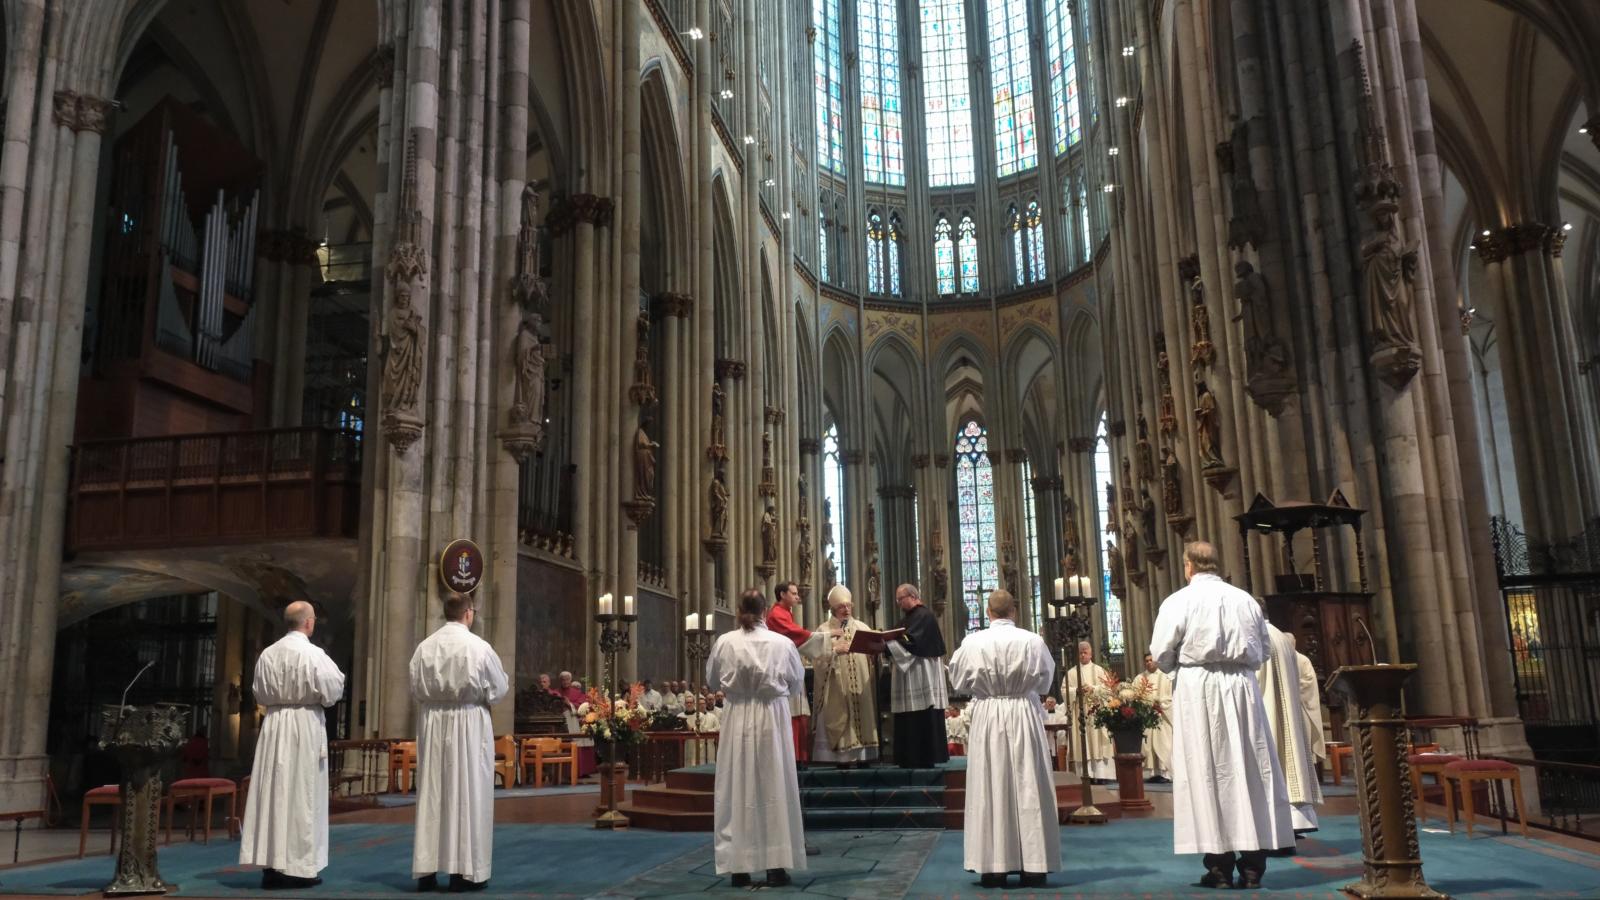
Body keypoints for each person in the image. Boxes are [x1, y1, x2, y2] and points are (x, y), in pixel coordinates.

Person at [1150, 541, 1293, 890]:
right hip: (1241, 688)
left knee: (1208, 772)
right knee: (1248, 770)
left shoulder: (1178, 601)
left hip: (1198, 689)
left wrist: (1182, 669)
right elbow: (1261, 650)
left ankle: (1218, 867)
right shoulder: (1244, 599)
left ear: (1188, 566)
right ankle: (1252, 867)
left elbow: (1161, 652)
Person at [948, 589, 1060, 888]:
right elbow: (1046, 679)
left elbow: (957, 680)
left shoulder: (973, 642)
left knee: (990, 785)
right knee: (1028, 786)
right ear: (1014, 611)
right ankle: (1034, 866)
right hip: (1023, 711)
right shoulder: (1032, 641)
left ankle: (992, 867)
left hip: (988, 714)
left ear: (988, 612)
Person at [239, 600, 346, 890]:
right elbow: (333, 690)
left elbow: (259, 691)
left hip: (274, 727)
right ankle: (298, 869)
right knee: (302, 797)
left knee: (274, 795)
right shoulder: (314, 654)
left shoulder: (268, 655)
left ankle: (271, 866)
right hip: (304, 727)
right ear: (309, 623)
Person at [410, 592, 510, 892]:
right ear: (469, 613)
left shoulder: (424, 647)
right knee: (469, 792)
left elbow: (415, 687)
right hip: (468, 721)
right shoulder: (479, 648)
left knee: (433, 793)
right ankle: (464, 873)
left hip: (433, 722)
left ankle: (426, 871)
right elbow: (499, 689)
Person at [707, 588, 807, 888]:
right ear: (765, 611)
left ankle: (739, 867)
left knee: (737, 787)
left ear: (740, 609)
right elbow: (797, 682)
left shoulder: (725, 642)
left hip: (737, 716)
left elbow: (712, 680)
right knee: (773, 785)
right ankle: (776, 866)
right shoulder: (782, 643)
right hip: (772, 718)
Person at [1258, 622, 1323, 834]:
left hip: (1266, 709)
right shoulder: (1279, 637)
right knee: (1290, 759)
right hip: (1287, 710)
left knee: (1273, 762)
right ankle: (1297, 823)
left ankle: (1277, 827)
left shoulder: (1259, 636)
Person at [804, 586, 879, 766]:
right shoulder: (824, 630)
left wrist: (875, 653)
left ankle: (863, 758)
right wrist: (834, 651)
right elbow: (817, 661)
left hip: (860, 690)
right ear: (833, 610)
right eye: (841, 607)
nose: (846, 610)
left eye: (848, 606)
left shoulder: (862, 628)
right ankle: (840, 760)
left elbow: (873, 658)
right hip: (836, 690)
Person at [886, 584, 949, 768]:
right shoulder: (910, 618)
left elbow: (912, 642)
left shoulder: (924, 616)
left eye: (900, 599)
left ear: (912, 596)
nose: (898, 603)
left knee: (921, 713)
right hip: (911, 674)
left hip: (921, 673)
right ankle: (909, 757)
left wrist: (887, 644)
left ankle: (922, 757)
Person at [766, 581, 813, 765]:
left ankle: (800, 756)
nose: (797, 596)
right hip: (783, 669)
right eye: (793, 593)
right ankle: (793, 757)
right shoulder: (777, 614)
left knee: (798, 711)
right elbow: (796, 635)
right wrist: (824, 636)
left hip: (790, 665)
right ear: (782, 594)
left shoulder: (786, 613)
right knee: (792, 713)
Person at [1061, 642, 1115, 781]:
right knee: (1082, 742)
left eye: (1085, 652)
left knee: (1097, 741)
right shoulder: (1071, 672)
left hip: (1096, 712)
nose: (1083, 654)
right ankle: (1086, 775)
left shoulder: (1099, 671)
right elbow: (1064, 690)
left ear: (1091, 653)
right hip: (1079, 713)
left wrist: (1093, 689)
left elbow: (1108, 689)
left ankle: (1101, 775)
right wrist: (1076, 691)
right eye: (1080, 652)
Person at [1133, 653, 1174, 781]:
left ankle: (1164, 772)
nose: (1149, 663)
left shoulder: (1166, 677)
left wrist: (1159, 701)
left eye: (1151, 660)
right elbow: (1134, 697)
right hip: (1147, 718)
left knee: (1164, 744)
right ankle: (1151, 773)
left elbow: (1171, 698)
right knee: (1147, 746)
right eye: (1146, 661)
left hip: (1162, 717)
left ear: (1156, 661)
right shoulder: (1139, 678)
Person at [1292, 637, 1327, 769]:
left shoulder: (1302, 660)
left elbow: (1308, 682)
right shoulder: (1280, 659)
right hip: (1287, 707)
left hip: (1302, 707)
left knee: (1303, 742)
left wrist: (1289, 687)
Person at [681, 696, 721, 766]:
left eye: (703, 703)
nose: (702, 705)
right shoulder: (682, 715)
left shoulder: (711, 716)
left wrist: (708, 731)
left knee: (708, 761)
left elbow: (717, 728)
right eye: (699, 704)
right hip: (689, 743)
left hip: (709, 742)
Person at [1041, 697, 1071, 766]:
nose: (1049, 703)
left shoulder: (1060, 714)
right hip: (1046, 736)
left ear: (1055, 704)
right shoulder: (1042, 714)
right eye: (1048, 702)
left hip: (1056, 737)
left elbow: (1063, 723)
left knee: (1056, 750)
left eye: (1051, 702)